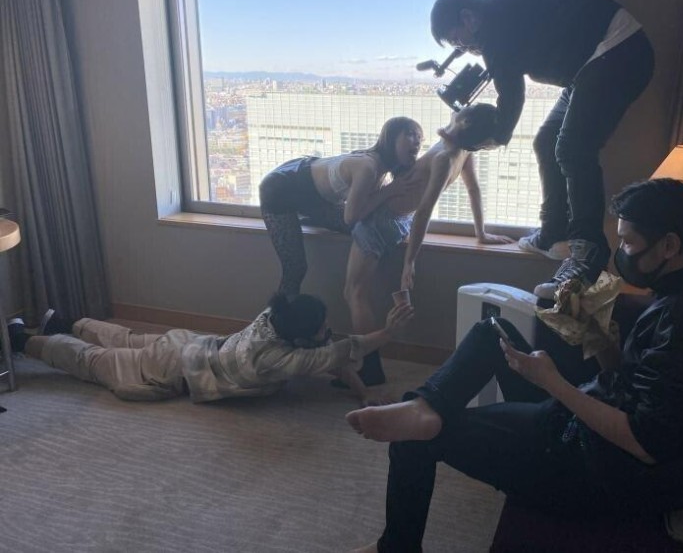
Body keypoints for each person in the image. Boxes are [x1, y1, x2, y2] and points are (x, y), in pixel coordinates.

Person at [345, 178, 683, 553]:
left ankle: (395, 545)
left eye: (628, 242)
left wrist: (554, 384)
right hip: (589, 432)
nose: (622, 252)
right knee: (492, 333)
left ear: (669, 245)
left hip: (592, 469)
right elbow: (639, 388)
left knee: (412, 437)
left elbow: (647, 442)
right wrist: (600, 340)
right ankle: (425, 405)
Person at [430, 0, 655, 298]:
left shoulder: (497, 25)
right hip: (591, 68)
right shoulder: (504, 14)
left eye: (459, 41)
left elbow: (511, 96)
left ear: (468, 18)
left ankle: (587, 252)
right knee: (547, 141)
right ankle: (552, 232)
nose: (466, 50)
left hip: (618, 51)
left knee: (574, 148)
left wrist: (494, 137)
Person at [7, 293, 413, 406]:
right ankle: (22, 340)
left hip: (187, 343)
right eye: (322, 328)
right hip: (173, 369)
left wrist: (363, 393)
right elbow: (338, 352)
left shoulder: (274, 317)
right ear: (301, 338)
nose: (329, 332)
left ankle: (62, 322)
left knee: (126, 338)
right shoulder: (275, 358)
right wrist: (389, 332)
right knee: (96, 362)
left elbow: (332, 351)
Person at [259, 116, 423, 386]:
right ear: (390, 138)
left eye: (419, 137)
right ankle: (270, 341)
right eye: (410, 134)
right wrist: (389, 191)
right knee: (295, 268)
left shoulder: (381, 168)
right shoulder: (368, 167)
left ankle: (366, 366)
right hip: (280, 190)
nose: (416, 141)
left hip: (309, 191)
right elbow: (351, 217)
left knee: (367, 227)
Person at [343, 103, 513, 344]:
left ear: (466, 123)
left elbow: (424, 211)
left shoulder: (445, 157)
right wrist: (481, 233)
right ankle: (370, 356)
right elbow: (473, 189)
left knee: (354, 293)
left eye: (467, 109)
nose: (461, 107)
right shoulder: (463, 150)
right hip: (400, 220)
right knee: (364, 291)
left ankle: (367, 360)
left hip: (381, 222)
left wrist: (409, 262)